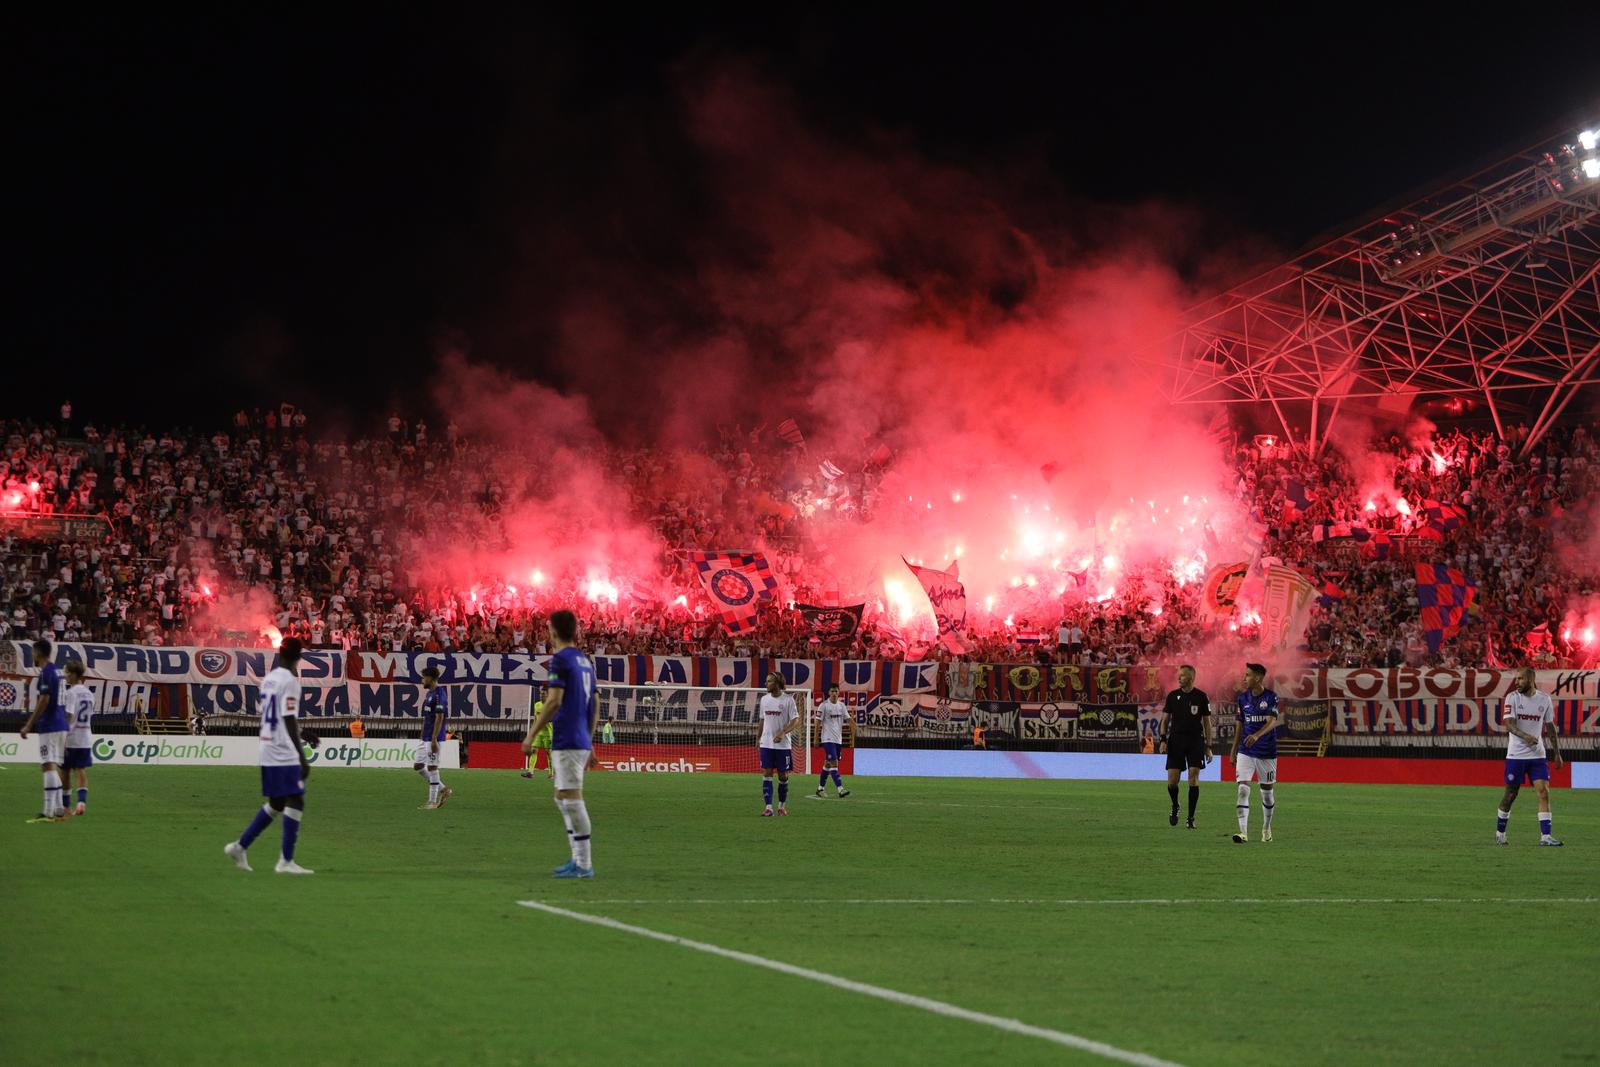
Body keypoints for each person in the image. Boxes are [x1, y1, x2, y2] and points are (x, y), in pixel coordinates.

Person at [224, 637, 314, 874]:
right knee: (296, 799)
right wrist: (302, 756)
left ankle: (240, 846)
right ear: (298, 656)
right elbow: (287, 717)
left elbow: (276, 715)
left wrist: (305, 732)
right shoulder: (291, 682)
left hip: (267, 745)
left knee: (277, 802)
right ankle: (286, 861)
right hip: (283, 750)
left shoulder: (269, 680)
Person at [522, 609, 598, 878]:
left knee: (571, 796)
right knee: (561, 796)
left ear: (553, 631)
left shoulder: (561, 660)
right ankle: (577, 859)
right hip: (577, 737)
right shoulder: (584, 661)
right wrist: (590, 740)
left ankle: (584, 864)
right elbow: (595, 702)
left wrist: (531, 734)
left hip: (567, 736)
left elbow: (553, 701)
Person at [1496, 667, 1564, 846]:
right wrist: (1526, 737)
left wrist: (1557, 753)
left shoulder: (1544, 699)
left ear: (1531, 679)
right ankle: (1500, 833)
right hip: (1516, 755)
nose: (1516, 682)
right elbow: (1509, 725)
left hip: (1537, 756)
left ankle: (1546, 837)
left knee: (1543, 792)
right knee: (1511, 794)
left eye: (1520, 679)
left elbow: (1550, 727)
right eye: (1516, 679)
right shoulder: (1512, 698)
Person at [1229, 662, 1281, 844]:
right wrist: (1234, 749)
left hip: (1266, 751)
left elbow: (1273, 721)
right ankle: (1243, 833)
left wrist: (1257, 735)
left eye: (1248, 675)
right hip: (1246, 750)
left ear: (1258, 678)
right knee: (1243, 789)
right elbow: (1240, 724)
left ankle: (1266, 828)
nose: (1244, 678)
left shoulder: (1271, 697)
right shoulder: (1242, 699)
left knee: (1266, 793)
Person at [19, 639, 70, 823]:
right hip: (61, 724)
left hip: (50, 725)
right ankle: (57, 809)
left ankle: (47, 812)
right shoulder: (58, 671)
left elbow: (44, 700)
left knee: (47, 765)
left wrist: (29, 724)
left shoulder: (46, 673)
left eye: (33, 652)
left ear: (38, 653)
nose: (32, 656)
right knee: (52, 765)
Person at [1157, 663, 1211, 829]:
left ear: (1191, 678)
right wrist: (1163, 740)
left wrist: (1208, 745)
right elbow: (1165, 720)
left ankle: (1191, 818)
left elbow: (1207, 723)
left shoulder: (1201, 696)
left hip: (1195, 741)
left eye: (1182, 675)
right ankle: (1175, 806)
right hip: (1176, 741)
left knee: (1193, 777)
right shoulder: (1172, 696)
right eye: (1178, 675)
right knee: (1173, 781)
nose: (1178, 678)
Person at [757, 673, 798, 816]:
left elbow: (795, 721)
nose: (766, 683)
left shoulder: (788, 700)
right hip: (766, 744)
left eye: (769, 681)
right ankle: (768, 808)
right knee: (767, 773)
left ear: (777, 683)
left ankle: (781, 806)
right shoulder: (764, 700)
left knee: (783, 776)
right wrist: (758, 738)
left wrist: (782, 733)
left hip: (783, 746)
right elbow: (762, 720)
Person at [415, 667, 452, 809]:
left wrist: (434, 738)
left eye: (424, 677)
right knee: (418, 766)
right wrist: (422, 735)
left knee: (432, 767)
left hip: (433, 737)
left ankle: (432, 802)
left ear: (431, 678)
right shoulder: (428, 694)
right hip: (425, 737)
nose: (422, 680)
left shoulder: (439, 694)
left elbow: (439, 717)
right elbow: (427, 717)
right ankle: (444, 789)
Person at [61, 661, 95, 816]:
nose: (65, 675)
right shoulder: (89, 693)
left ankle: (66, 806)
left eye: (66, 672)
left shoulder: (71, 693)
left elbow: (68, 715)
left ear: (73, 674)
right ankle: (81, 803)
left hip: (72, 737)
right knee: (80, 770)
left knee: (65, 770)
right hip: (85, 736)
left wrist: (62, 735)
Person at [812, 684, 852, 799]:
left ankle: (820, 789)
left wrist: (853, 726)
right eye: (832, 691)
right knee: (834, 763)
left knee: (828, 764)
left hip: (838, 739)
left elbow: (848, 718)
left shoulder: (841, 706)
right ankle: (840, 789)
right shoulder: (823, 706)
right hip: (827, 738)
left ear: (839, 692)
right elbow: (818, 722)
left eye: (836, 691)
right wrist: (816, 738)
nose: (834, 693)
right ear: (829, 693)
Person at [523, 699, 553, 780]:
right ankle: (530, 772)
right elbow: (536, 720)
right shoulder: (537, 705)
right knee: (533, 751)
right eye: (541, 693)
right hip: (538, 732)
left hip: (548, 733)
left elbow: (552, 719)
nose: (542, 695)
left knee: (549, 753)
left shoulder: (551, 704)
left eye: (544, 693)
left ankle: (551, 773)